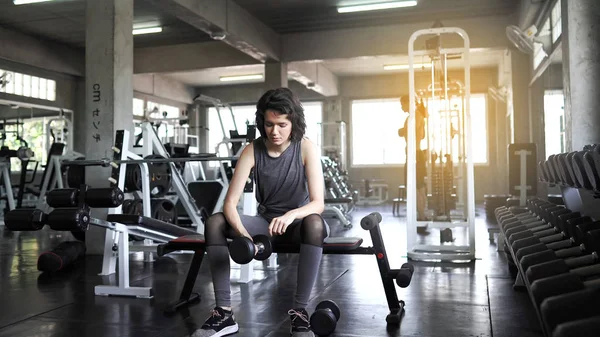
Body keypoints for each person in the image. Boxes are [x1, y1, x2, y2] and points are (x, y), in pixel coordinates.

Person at [192, 88, 328, 337]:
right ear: (262, 122)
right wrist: (245, 236)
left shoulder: (306, 148)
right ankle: (224, 314)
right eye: (269, 124)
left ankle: (300, 313)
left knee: (316, 223)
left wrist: (291, 215)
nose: (274, 131)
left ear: (293, 122)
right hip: (265, 225)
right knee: (214, 223)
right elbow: (230, 204)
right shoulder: (252, 150)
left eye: (282, 124)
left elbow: (318, 203)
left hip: (298, 225)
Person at [399, 95, 428, 226]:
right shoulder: (417, 116)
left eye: (402, 104)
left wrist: (402, 131)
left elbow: (413, 134)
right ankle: (423, 215)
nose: (401, 107)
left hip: (414, 155)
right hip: (417, 154)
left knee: (414, 187)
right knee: (419, 187)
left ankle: (421, 217)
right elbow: (420, 135)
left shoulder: (414, 117)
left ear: (408, 103)